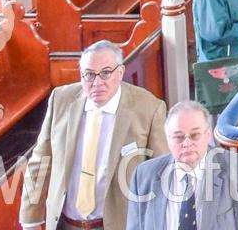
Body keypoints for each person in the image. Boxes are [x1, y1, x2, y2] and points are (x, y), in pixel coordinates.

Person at [21, 39, 169, 229]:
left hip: (119, 224)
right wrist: (30, 219)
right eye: (89, 75)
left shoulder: (148, 108)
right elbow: (41, 161)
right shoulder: (61, 100)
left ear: (120, 72)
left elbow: (162, 173)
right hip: (65, 223)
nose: (97, 83)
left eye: (106, 73)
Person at [126, 100, 238, 229]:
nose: (187, 143)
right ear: (168, 139)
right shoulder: (144, 175)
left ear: (208, 135)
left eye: (195, 135)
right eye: (178, 137)